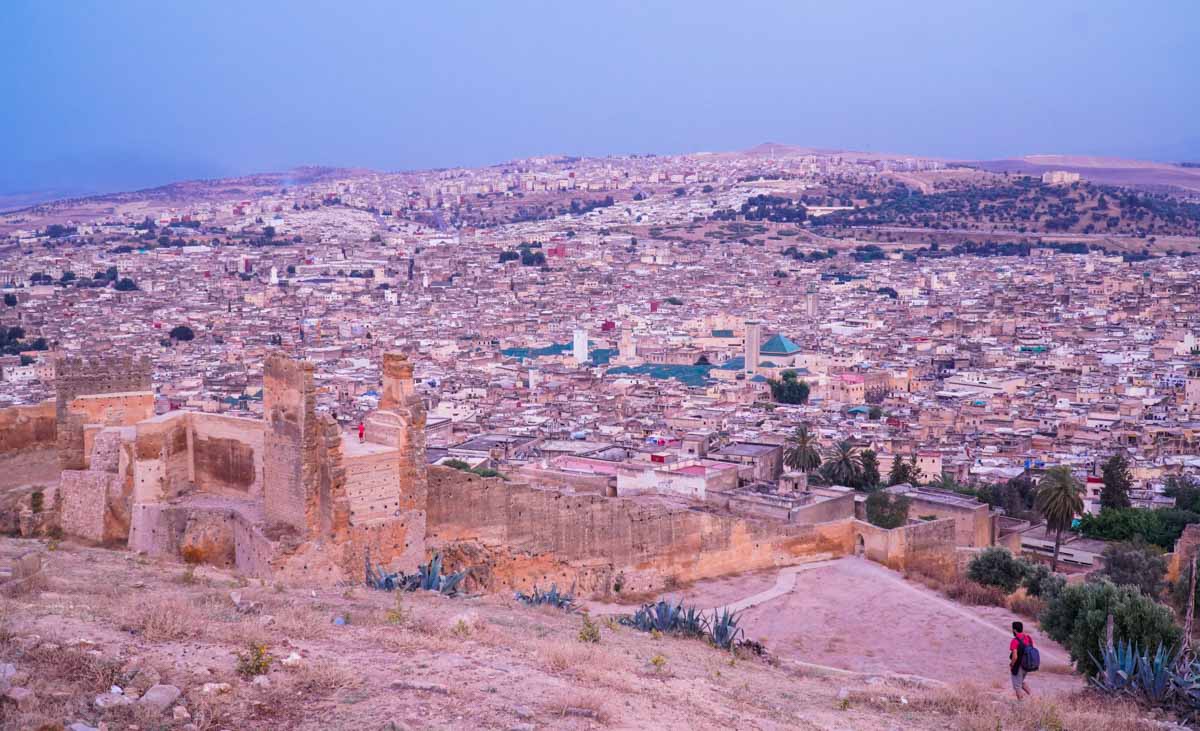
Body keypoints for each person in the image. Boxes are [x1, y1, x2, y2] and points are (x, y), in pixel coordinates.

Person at [1009, 620, 1034, 700]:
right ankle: (1033, 697)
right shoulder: (1028, 638)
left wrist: (1012, 664)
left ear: (1014, 630)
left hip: (1018, 666)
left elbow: (1015, 656)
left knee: (1017, 686)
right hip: (1027, 665)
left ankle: (1021, 704)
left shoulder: (1015, 641)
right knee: (1020, 682)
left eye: (1013, 629)